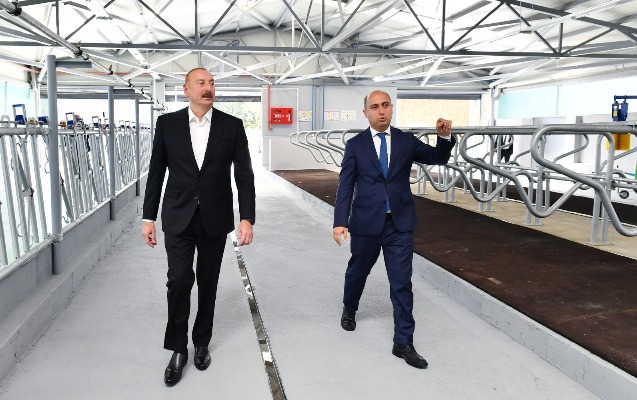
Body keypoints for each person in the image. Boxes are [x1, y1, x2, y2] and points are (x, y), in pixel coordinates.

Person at [141, 67, 255, 386]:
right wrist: (148, 218)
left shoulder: (231, 126)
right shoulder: (168, 124)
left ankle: (201, 341)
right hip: (178, 215)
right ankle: (178, 348)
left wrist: (247, 217)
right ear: (186, 89)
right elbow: (156, 173)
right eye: (201, 83)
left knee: (208, 282)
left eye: (212, 83)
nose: (208, 88)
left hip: (215, 217)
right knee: (179, 280)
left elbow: (244, 175)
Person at [332, 90, 455, 369]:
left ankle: (403, 342)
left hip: (399, 224)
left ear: (391, 108)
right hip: (366, 223)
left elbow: (437, 157)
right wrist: (340, 221)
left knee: (401, 283)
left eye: (385, 105)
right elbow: (346, 185)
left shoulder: (405, 141)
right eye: (375, 107)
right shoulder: (355, 145)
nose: (381, 111)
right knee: (357, 271)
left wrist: (443, 137)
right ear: (366, 113)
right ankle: (350, 307)